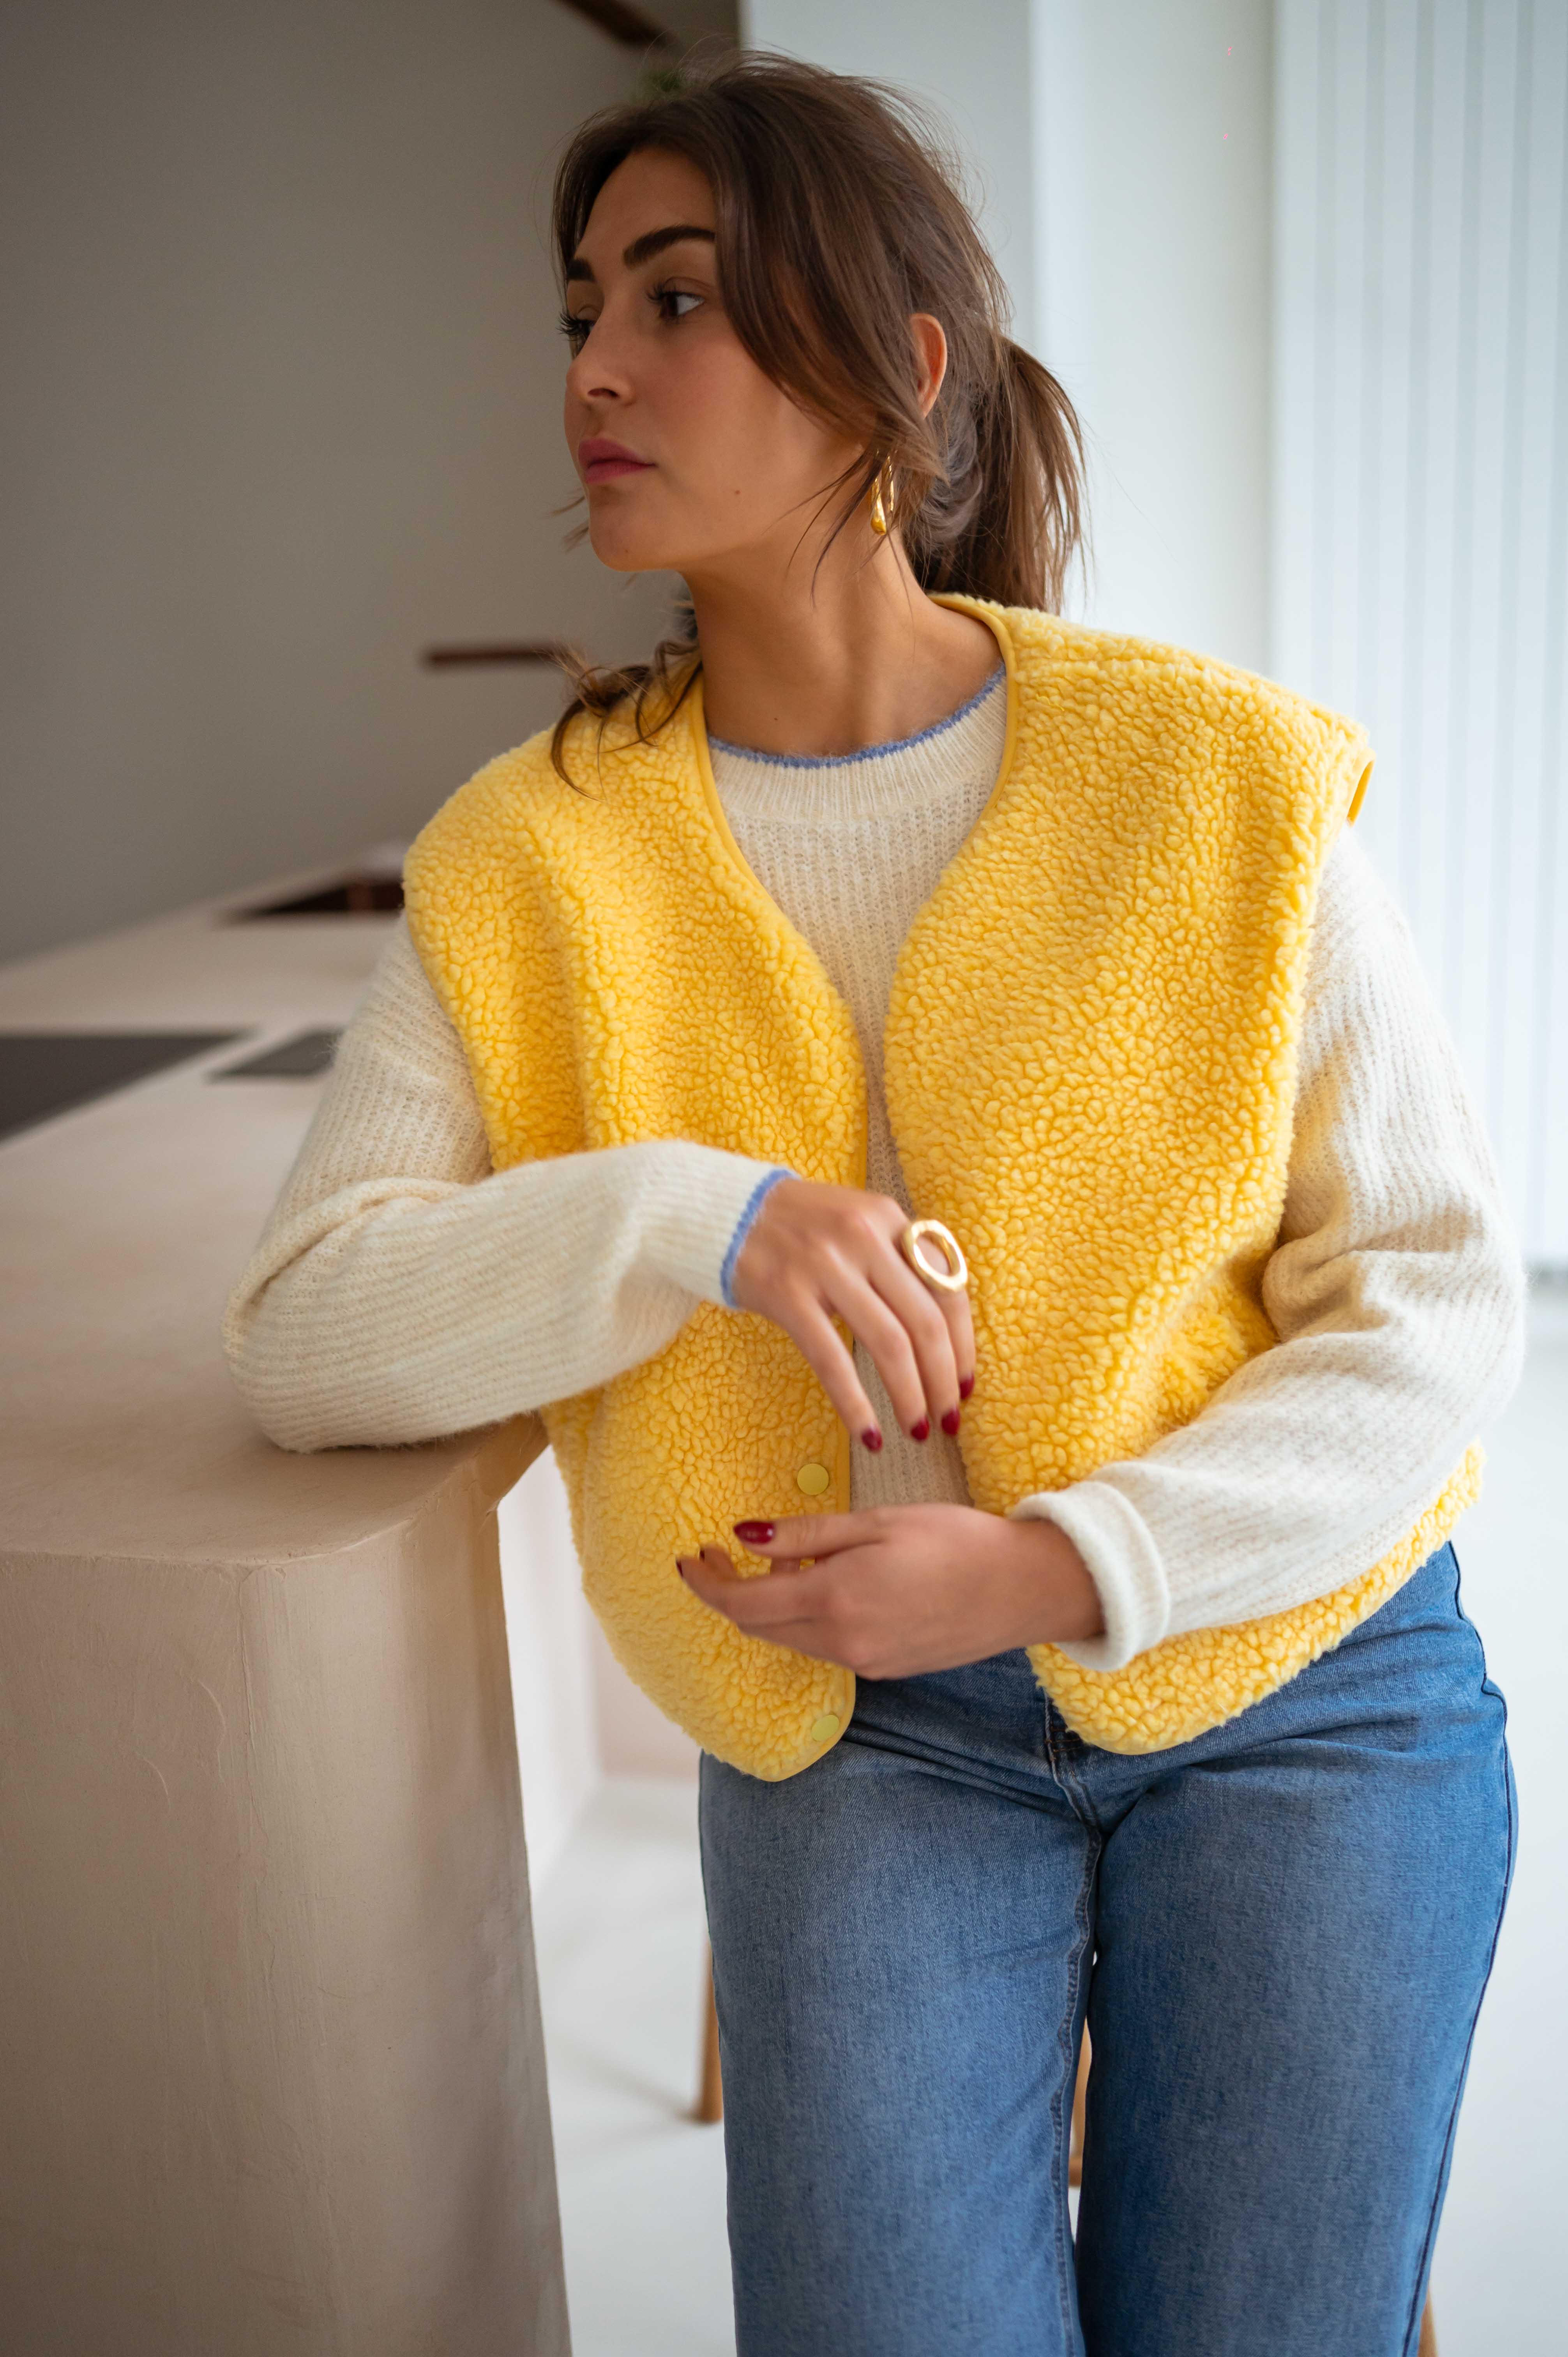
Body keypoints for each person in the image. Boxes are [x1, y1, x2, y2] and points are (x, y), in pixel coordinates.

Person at [224, 53, 1524, 2357]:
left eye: (680, 300)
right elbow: (310, 1332)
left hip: (1300, 1682)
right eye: (577, 311)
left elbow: (1428, 1302)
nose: (595, 370)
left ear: (897, 372)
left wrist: (1055, 1563)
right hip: (853, 1733)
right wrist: (698, 1216)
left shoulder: (1211, 773)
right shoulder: (525, 857)